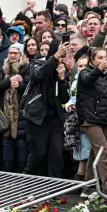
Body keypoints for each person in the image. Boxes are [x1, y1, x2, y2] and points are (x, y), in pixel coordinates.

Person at [76, 47, 107, 198]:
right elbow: (87, 80)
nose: (103, 60)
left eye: (105, 57)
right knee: (103, 150)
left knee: (95, 154)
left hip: (104, 118)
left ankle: (88, 188)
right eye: (99, 58)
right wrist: (100, 69)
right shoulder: (85, 72)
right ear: (92, 60)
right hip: (90, 119)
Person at [21, 41, 70, 177]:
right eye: (60, 54)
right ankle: (29, 178)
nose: (61, 58)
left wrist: (62, 80)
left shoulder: (62, 69)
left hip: (55, 119)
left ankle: (55, 190)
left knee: (56, 154)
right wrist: (54, 58)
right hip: (37, 117)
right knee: (39, 153)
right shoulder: (37, 63)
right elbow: (38, 75)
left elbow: (65, 99)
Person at [0, 43, 30, 172]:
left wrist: (20, 85)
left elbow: (29, 86)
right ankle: (7, 170)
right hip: (5, 111)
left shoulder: (26, 68)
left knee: (21, 142)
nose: (13, 55)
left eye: (16, 53)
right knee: (6, 141)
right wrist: (9, 80)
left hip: (21, 110)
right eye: (11, 53)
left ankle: (22, 170)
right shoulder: (3, 69)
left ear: (21, 55)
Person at [65, 56, 91, 182]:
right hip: (77, 120)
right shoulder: (74, 82)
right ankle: (81, 179)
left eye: (85, 66)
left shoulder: (92, 80)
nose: (82, 68)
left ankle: (85, 179)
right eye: (80, 66)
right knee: (82, 149)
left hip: (89, 118)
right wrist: (69, 106)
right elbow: (71, 98)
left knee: (88, 149)